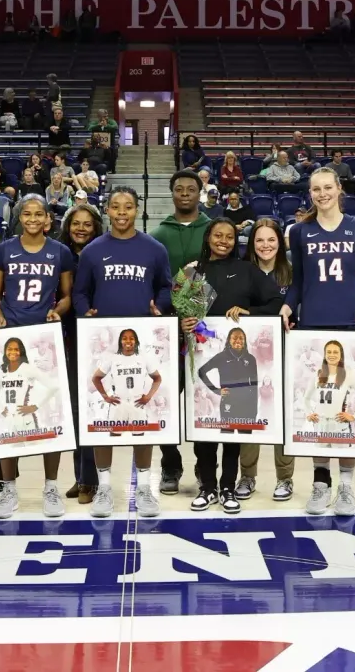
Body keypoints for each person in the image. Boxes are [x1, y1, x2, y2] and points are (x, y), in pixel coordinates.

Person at [280, 167, 355, 516]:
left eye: (327, 188)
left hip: (351, 327)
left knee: (344, 406)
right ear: (310, 194)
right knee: (322, 407)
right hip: (314, 327)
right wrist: (288, 308)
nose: (321, 194)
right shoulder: (300, 231)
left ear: (339, 189)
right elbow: (297, 282)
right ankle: (321, 483)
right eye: (315, 189)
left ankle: (347, 486)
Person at [72, 186, 172, 518]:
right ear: (108, 211)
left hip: (138, 342)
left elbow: (165, 286)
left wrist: (162, 306)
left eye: (128, 206)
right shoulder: (92, 251)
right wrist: (86, 314)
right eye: (116, 207)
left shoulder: (154, 249)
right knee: (104, 418)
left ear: (137, 209)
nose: (122, 212)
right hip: (106, 344)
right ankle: (103, 488)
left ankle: (143, 487)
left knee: (140, 419)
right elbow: (80, 292)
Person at [184, 218, 283, 513]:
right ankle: (207, 487)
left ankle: (228, 486)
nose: (224, 241)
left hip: (236, 365)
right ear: (208, 238)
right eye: (218, 235)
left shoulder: (247, 271)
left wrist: (249, 311)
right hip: (200, 358)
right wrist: (182, 322)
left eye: (229, 236)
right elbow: (174, 308)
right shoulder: (193, 271)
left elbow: (276, 302)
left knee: (230, 430)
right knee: (203, 426)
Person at [0, 194, 75, 518]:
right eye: (28, 213)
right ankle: (8, 487)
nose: (34, 219)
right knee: (11, 413)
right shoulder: (4, 249)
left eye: (40, 214)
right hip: (12, 337)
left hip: (45, 339)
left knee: (48, 413)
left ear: (49, 219)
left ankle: (51, 486)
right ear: (20, 217)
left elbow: (66, 297)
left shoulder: (60, 252)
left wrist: (57, 311)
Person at [149, 169, 213, 491]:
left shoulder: (213, 230)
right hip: (170, 329)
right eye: (179, 189)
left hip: (208, 330)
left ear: (200, 193)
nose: (185, 193)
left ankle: (205, 467)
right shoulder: (157, 235)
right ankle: (170, 465)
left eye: (191, 189)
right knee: (166, 399)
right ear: (171, 192)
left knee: (206, 398)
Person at [232, 218, 297, 501]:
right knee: (250, 413)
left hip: (285, 352)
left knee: (280, 415)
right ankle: (247, 476)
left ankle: (285, 478)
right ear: (251, 244)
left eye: (271, 240)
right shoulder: (242, 273)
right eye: (259, 240)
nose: (265, 245)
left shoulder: (292, 273)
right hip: (251, 357)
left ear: (280, 243)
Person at [58, 204, 104, 503]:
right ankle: (81, 476)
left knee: (91, 409)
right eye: (76, 223)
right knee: (73, 412)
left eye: (88, 224)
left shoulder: (102, 253)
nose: (82, 229)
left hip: (95, 337)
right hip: (64, 336)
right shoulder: (58, 254)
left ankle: (91, 479)